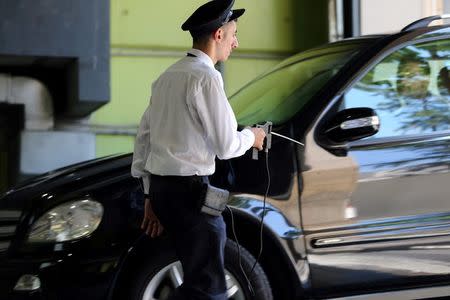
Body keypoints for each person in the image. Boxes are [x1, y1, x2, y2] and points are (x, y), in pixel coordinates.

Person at [131, 0, 266, 299]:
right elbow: (227, 145)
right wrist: (252, 137)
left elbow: (144, 141)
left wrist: (150, 196)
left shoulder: (166, 77)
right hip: (191, 197)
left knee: (198, 279)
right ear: (218, 35)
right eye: (233, 35)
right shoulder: (206, 77)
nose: (236, 43)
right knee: (209, 286)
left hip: (165, 193)